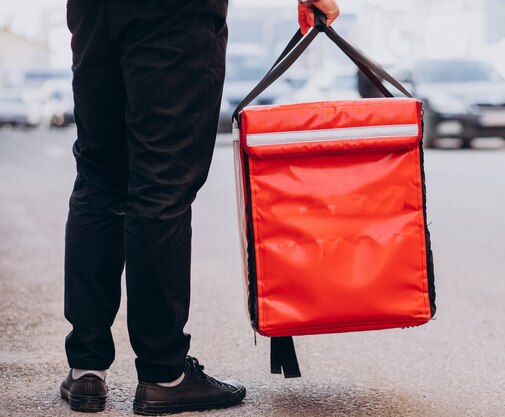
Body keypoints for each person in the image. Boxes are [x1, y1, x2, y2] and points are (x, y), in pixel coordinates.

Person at [60, 0, 339, 414]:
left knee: (98, 179)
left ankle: (86, 370)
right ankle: (163, 374)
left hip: (94, 11)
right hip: (174, 14)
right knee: (162, 182)